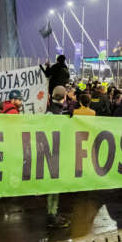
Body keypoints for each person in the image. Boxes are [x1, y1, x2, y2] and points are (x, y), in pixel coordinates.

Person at [45, 86, 71, 227]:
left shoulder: (49, 113)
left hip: (50, 153)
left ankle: (53, 213)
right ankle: (52, 215)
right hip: (55, 154)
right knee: (54, 187)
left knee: (54, 186)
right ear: (64, 97)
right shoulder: (61, 114)